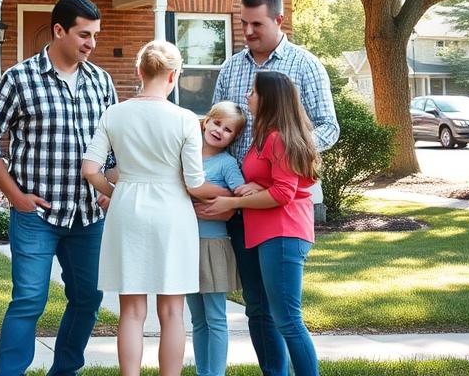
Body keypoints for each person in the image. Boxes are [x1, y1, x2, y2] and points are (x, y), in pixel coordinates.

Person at [0, 0, 118, 376]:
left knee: (88, 299)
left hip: (88, 216)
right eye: (84, 35)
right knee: (28, 301)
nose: (91, 43)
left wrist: (107, 188)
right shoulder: (19, 79)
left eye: (95, 36)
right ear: (58, 30)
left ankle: (65, 371)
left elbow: (116, 147)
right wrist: (15, 196)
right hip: (36, 215)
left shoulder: (101, 81)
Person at [208, 0, 338, 376]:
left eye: (256, 24)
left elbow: (329, 127)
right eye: (242, 23)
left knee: (284, 311)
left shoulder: (305, 65)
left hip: (280, 205)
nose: (247, 31)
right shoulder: (231, 67)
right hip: (240, 199)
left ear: (279, 20)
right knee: (257, 306)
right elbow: (218, 126)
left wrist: (287, 155)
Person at [80, 40, 224, 376]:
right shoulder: (186, 119)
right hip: (172, 213)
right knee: (173, 312)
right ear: (174, 75)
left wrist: (114, 192)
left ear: (139, 72)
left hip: (128, 208)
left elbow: (90, 169)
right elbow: (194, 183)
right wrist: (229, 193)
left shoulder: (114, 113)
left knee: (131, 311)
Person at [208, 71, 321, 376]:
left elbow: (284, 194)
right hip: (261, 232)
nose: (247, 96)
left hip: (283, 232)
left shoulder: (279, 138)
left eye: (253, 92)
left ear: (268, 98)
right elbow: (278, 182)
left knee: (287, 318)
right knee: (258, 311)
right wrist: (258, 186)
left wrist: (232, 202)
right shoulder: (265, 136)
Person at [186, 101, 247, 376]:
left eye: (229, 130)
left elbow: (239, 197)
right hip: (185, 246)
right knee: (197, 320)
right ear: (205, 121)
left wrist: (223, 199)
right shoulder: (185, 155)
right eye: (217, 123)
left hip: (213, 246)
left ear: (234, 137)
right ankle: (203, 371)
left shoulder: (227, 163)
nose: (220, 131)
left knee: (215, 318)